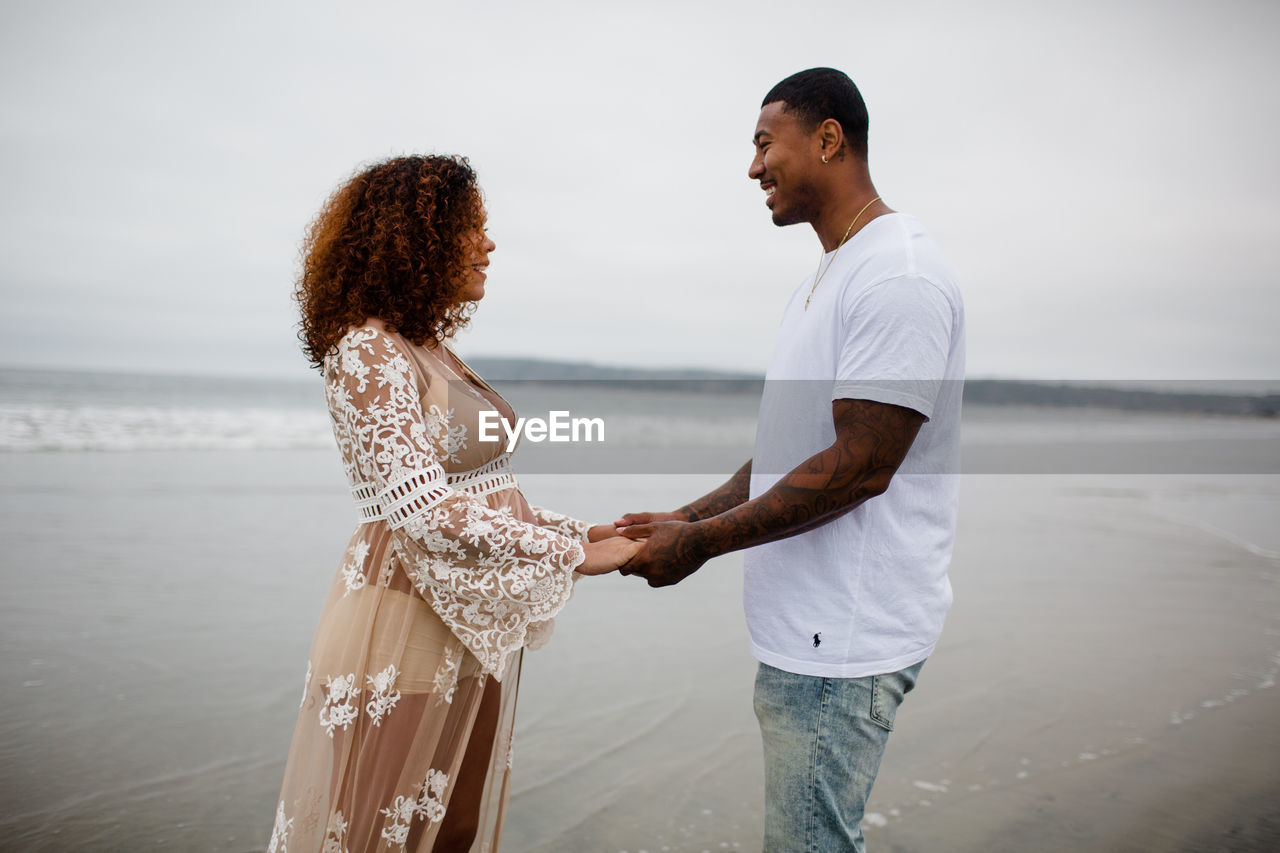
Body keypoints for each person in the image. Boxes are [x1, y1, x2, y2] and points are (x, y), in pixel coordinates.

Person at [616, 68, 965, 851]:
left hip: (840, 643)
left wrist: (701, 544)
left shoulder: (897, 272)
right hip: (809, 638)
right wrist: (686, 517)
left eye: (765, 144)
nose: (752, 168)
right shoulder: (830, 275)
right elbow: (788, 451)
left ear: (829, 138)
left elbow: (862, 463)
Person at [269, 154, 640, 853]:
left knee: (456, 829)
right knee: (390, 835)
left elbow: (480, 487)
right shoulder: (366, 351)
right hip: (401, 615)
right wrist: (572, 554)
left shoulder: (431, 346)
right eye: (472, 227)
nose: (489, 244)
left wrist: (576, 525)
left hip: (471, 614)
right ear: (420, 235)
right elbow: (421, 508)